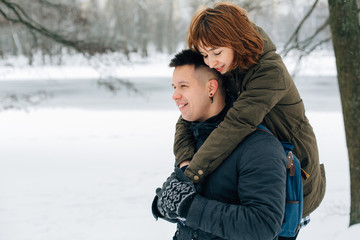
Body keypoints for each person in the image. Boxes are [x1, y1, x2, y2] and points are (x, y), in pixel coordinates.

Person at [174, 2, 326, 221]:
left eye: (216, 52)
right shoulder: (222, 65)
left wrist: (191, 177)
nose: (210, 61)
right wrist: (185, 163)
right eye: (204, 54)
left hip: (293, 176)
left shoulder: (270, 72)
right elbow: (187, 117)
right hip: (252, 169)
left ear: (236, 41)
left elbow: (236, 125)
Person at [152, 49, 288, 240]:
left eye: (183, 86)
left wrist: (189, 207)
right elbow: (185, 199)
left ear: (211, 88)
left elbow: (263, 225)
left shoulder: (259, 146)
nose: (175, 95)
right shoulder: (192, 137)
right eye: (174, 87)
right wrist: (163, 204)